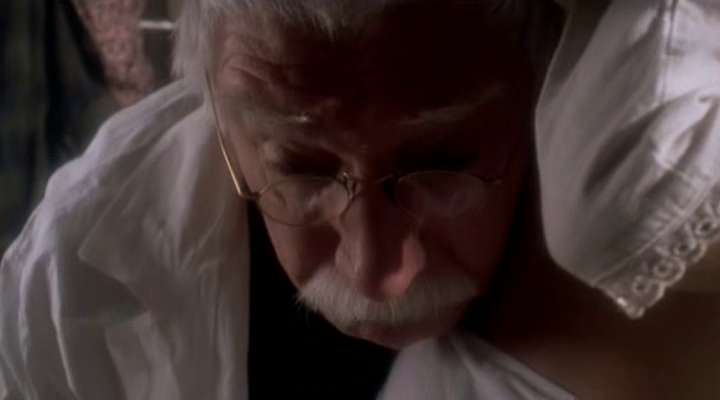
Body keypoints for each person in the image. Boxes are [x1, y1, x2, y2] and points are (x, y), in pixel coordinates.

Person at [1, 0, 719, 399]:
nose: (380, 273)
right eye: (301, 167)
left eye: (442, 163)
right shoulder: (67, 281)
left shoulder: (645, 214)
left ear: (538, 86)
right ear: (214, 106)